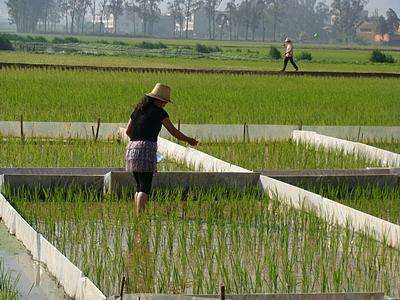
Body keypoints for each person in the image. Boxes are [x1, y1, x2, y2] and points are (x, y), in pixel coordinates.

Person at [125, 83, 198, 213]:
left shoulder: (138, 109)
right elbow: (174, 132)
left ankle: (137, 215)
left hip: (131, 148)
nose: (164, 104)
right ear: (158, 100)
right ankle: (140, 217)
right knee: (145, 187)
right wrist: (189, 140)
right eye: (164, 102)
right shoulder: (160, 112)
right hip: (146, 148)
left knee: (138, 186)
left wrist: (137, 140)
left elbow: (128, 131)